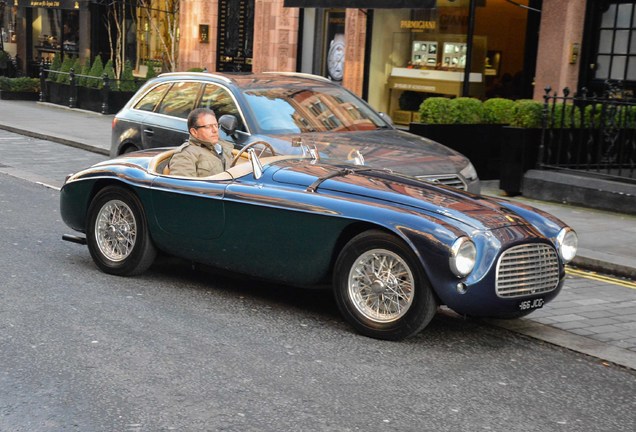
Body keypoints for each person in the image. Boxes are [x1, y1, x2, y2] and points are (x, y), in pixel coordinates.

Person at [168, 108, 234, 177]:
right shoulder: (185, 155)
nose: (215, 130)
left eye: (216, 125)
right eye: (208, 127)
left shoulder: (224, 147)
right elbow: (184, 186)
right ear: (194, 132)